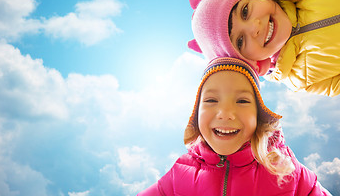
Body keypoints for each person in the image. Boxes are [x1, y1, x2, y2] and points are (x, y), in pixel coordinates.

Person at [137, 57, 331, 195]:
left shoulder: (287, 171)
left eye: (242, 101)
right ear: (196, 115)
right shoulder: (179, 173)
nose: (225, 113)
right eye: (212, 100)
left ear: (259, 115)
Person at [187, 0, 340, 97]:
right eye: (240, 41)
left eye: (245, 11)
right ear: (252, 62)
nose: (255, 27)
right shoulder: (300, 79)